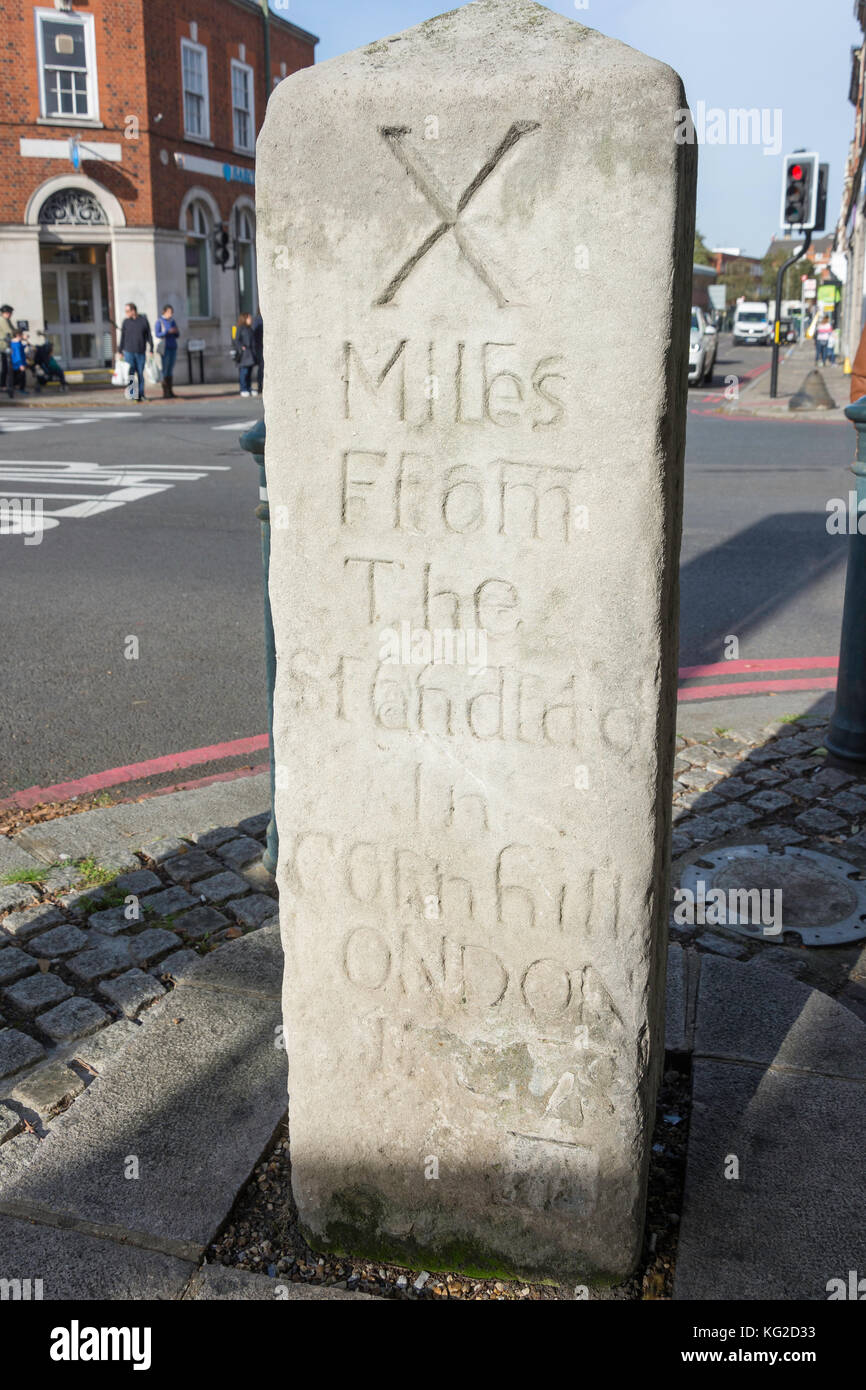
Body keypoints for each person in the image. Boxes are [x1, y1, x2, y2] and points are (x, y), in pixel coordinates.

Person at [118, 302, 153, 402]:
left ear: (133, 311)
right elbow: (122, 337)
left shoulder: (143, 320)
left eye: (128, 311)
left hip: (140, 351)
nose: (126, 313)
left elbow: (148, 335)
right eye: (125, 311)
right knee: (131, 374)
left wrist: (151, 348)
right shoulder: (126, 322)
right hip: (129, 351)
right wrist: (120, 350)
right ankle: (133, 395)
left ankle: (141, 394)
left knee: (141, 374)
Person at [154, 303, 179, 399]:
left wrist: (175, 331)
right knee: (165, 369)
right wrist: (167, 332)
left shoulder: (172, 321)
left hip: (173, 346)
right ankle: (165, 392)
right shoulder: (159, 321)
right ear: (164, 312)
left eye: (172, 312)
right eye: (169, 312)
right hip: (165, 347)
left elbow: (177, 335)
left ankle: (170, 390)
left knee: (170, 369)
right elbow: (157, 334)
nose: (171, 314)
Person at [235, 311, 256, 396]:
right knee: (244, 372)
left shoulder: (250, 328)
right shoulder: (240, 328)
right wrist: (241, 347)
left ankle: (248, 387)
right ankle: (243, 388)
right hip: (244, 354)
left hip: (250, 353)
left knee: (249, 372)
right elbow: (236, 340)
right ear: (244, 319)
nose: (251, 319)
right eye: (249, 318)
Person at [0, 304, 14, 398]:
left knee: (6, 366)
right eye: (8, 313)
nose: (10, 314)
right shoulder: (2, 320)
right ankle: (3, 386)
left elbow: (12, 331)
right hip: (2, 346)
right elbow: (9, 331)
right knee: (4, 367)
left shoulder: (7, 320)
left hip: (6, 346)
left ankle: (4, 385)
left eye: (10, 313)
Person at [252, 309, 263, 397]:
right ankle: (260, 385)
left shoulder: (259, 320)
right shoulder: (258, 320)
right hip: (260, 347)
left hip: (262, 347)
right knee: (262, 367)